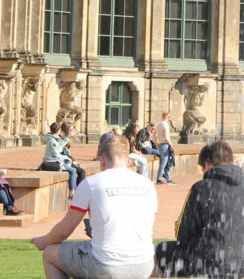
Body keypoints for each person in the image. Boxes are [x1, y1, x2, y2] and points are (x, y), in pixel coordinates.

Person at [33, 131, 157, 279]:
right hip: (144, 265)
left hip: (106, 265)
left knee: (50, 254)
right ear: (129, 161)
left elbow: (64, 230)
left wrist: (43, 241)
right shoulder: (148, 185)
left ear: (102, 161)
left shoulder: (92, 183)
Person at [154, 141, 244, 278]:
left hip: (209, 265)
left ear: (207, 165)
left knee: (158, 252)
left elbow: (183, 235)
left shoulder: (201, 188)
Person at [41, 121, 83, 195]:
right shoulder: (52, 140)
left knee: (79, 170)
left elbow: (60, 147)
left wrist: (68, 137)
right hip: (53, 161)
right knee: (73, 170)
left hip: (58, 160)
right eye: (71, 130)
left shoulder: (55, 139)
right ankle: (72, 192)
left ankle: (75, 191)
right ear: (58, 131)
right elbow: (58, 153)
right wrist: (67, 158)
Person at [154, 111, 176, 184]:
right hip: (165, 144)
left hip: (160, 143)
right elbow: (166, 137)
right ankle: (159, 178)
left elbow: (153, 135)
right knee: (164, 162)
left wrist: (156, 143)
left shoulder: (158, 124)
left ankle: (168, 178)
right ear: (168, 117)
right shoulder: (165, 125)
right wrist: (171, 144)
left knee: (165, 162)